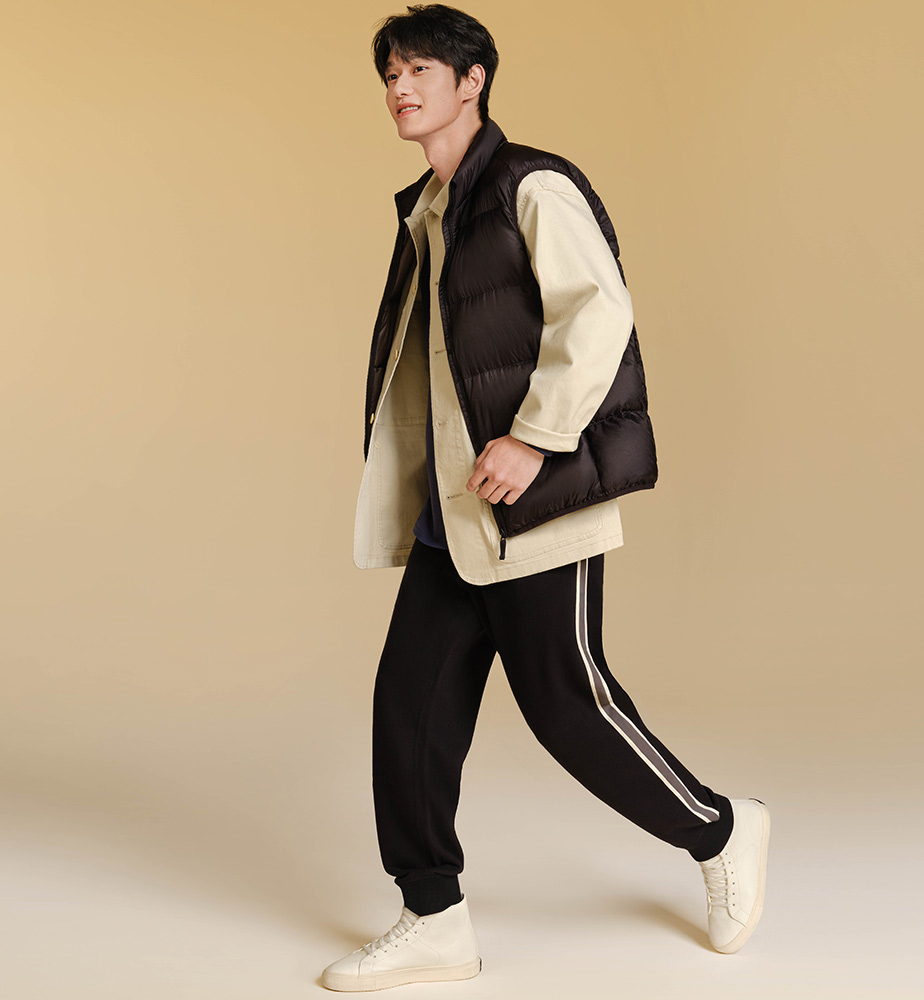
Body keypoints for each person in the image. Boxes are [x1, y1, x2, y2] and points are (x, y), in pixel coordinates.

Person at [322, 4, 770, 992]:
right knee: (408, 708)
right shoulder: (429, 209)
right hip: (454, 509)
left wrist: (534, 438)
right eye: (390, 73)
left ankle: (721, 829)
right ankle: (433, 916)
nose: (399, 88)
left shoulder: (532, 185)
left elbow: (598, 313)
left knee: (568, 707)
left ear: (472, 80)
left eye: (418, 69)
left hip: (536, 502)